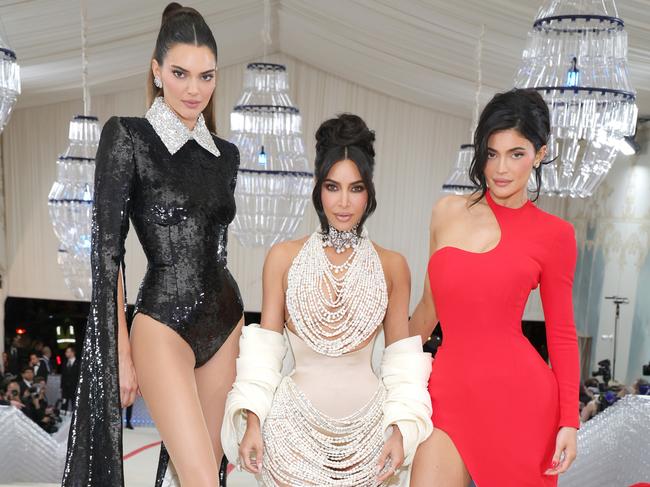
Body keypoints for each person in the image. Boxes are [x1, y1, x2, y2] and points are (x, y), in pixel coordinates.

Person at [62, 3, 244, 486]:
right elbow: (107, 252)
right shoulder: (128, 137)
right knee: (202, 478)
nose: (194, 89)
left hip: (225, 322)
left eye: (206, 76)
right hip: (161, 323)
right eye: (181, 73)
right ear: (157, 70)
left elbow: (218, 251)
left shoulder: (226, 156)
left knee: (205, 477)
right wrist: (119, 349)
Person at [222, 114, 433, 486]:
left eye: (356, 188)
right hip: (290, 437)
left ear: (370, 191)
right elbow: (265, 352)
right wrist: (253, 420)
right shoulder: (283, 258)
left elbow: (402, 365)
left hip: (370, 442)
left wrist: (400, 431)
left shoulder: (392, 266)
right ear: (319, 188)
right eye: (333, 187)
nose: (343, 202)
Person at [409, 89, 580, 486]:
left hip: (520, 404)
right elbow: (427, 310)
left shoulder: (556, 235)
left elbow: (561, 334)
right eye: (491, 153)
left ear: (539, 154)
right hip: (448, 393)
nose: (500, 168)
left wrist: (569, 421)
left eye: (516, 154)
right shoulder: (446, 212)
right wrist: (386, 372)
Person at [60, 346, 79, 413]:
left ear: (73, 353)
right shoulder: (65, 363)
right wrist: (61, 387)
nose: (66, 353)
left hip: (74, 388)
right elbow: (63, 376)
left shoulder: (78, 363)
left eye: (68, 352)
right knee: (64, 403)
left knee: (74, 404)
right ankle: (63, 418)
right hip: (65, 388)